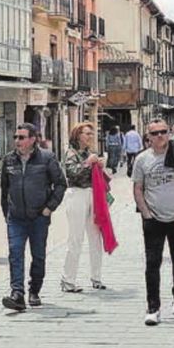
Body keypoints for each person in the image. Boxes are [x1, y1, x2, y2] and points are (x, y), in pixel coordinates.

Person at [132, 119, 174, 326]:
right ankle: (153, 308)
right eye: (155, 133)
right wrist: (145, 212)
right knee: (152, 263)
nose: (160, 136)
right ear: (148, 137)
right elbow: (138, 188)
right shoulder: (142, 159)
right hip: (153, 218)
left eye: (164, 132)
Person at [0, 123, 66, 311]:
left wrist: (49, 208)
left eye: (21, 137)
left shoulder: (46, 158)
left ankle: (34, 290)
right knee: (15, 253)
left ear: (33, 139)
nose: (17, 141)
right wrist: (7, 213)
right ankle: (17, 294)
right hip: (16, 218)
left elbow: (60, 184)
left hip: (38, 217)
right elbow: (4, 190)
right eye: (16, 137)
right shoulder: (9, 160)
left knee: (38, 256)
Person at [59, 122, 108, 293]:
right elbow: (72, 174)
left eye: (91, 134)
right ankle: (68, 279)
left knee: (96, 237)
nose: (90, 137)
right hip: (77, 194)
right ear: (78, 135)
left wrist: (100, 165)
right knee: (76, 238)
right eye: (87, 133)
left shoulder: (89, 153)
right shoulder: (71, 153)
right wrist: (88, 163)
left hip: (92, 194)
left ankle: (96, 276)